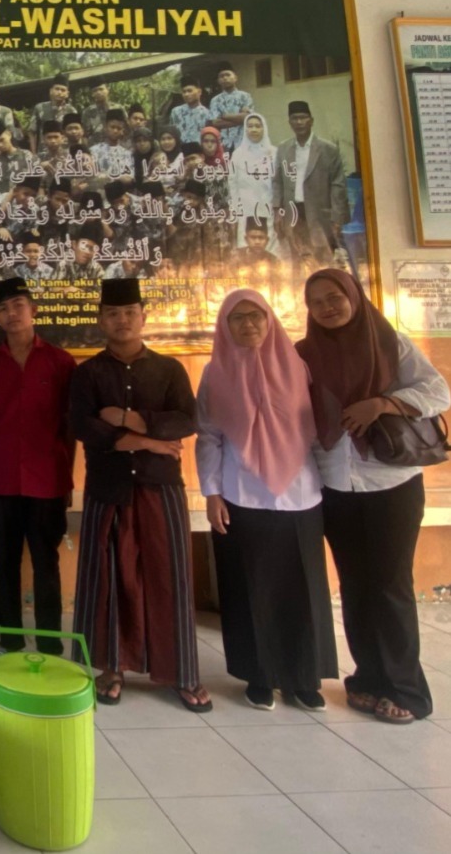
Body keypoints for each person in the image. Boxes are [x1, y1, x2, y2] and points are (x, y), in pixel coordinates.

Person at [297, 269, 450, 723]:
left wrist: (382, 403)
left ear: (353, 296)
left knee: (390, 584)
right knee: (354, 584)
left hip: (390, 483)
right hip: (334, 485)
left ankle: (407, 691)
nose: (327, 307)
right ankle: (366, 679)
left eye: (334, 297)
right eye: (316, 302)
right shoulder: (303, 355)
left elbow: (437, 391)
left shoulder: (388, 343)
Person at [69, 277, 209, 712]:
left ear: (143, 317)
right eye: (113, 314)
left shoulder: (169, 370)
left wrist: (129, 418)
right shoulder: (87, 373)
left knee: (169, 578)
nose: (122, 320)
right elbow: (83, 426)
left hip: (160, 488)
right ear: (101, 321)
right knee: (110, 579)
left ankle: (181, 672)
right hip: (108, 488)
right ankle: (112, 668)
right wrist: (149, 441)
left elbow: (186, 420)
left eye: (130, 313)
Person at [197, 290, 336, 711]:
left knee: (303, 588)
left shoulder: (298, 366)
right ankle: (259, 676)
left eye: (255, 315)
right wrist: (211, 493)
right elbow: (208, 437)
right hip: (241, 495)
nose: (248, 324)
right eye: (237, 318)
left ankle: (304, 677)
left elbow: (317, 430)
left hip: (300, 493)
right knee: (249, 589)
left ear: (269, 319)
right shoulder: (215, 373)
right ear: (225, 326)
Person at [0, 278, 76, 655]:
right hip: (0, 479)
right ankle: (10, 640)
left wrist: (66, 478)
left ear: (33, 310)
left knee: (46, 561)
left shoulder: (61, 362)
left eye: (18, 305)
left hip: (47, 478)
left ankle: (50, 643)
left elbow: (70, 426)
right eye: (3, 309)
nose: (11, 314)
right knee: (5, 562)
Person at [273, 101, 348, 266]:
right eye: (295, 118)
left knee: (323, 258)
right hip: (293, 212)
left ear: (311, 121)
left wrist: (336, 217)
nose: (299, 122)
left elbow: (338, 184)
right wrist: (277, 210)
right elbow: (277, 181)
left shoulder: (328, 149)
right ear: (289, 122)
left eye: (303, 118)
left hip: (319, 213)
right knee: (297, 259)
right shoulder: (283, 148)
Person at [228, 113, 277, 231]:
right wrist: (234, 211)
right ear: (245, 129)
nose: (254, 130)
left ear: (264, 128)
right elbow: (232, 185)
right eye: (250, 126)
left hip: (268, 207)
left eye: (258, 126)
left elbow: (278, 183)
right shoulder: (237, 154)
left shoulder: (274, 153)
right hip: (245, 209)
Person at [208, 62, 254, 153]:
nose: (225, 78)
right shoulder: (215, 100)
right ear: (218, 81)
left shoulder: (245, 96)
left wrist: (224, 116)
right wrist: (239, 118)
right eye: (222, 76)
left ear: (235, 78)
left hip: (242, 141)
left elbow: (247, 118)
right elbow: (216, 122)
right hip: (223, 144)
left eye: (228, 75)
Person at [168, 75, 215, 145]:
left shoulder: (208, 114)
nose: (186, 94)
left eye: (190, 91)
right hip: (180, 149)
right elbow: (171, 133)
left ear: (199, 92)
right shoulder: (175, 112)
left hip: (199, 149)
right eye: (184, 92)